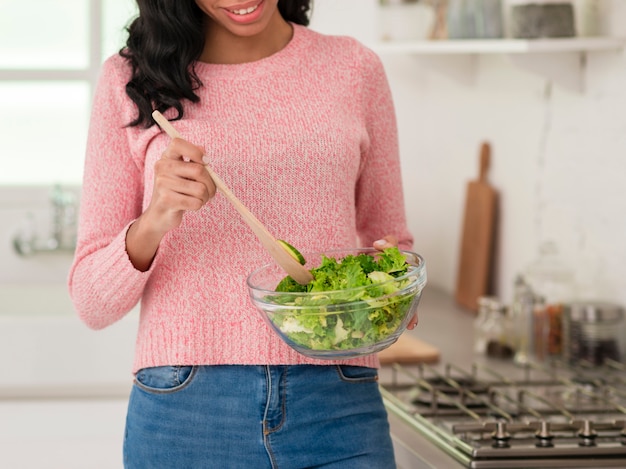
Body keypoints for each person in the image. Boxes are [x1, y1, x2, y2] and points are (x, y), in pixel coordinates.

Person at [68, 0, 416, 467]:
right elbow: (91, 301)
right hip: (186, 410)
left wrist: (391, 287)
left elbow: (392, 243)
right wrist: (155, 219)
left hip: (338, 400)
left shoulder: (353, 68)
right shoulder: (132, 81)